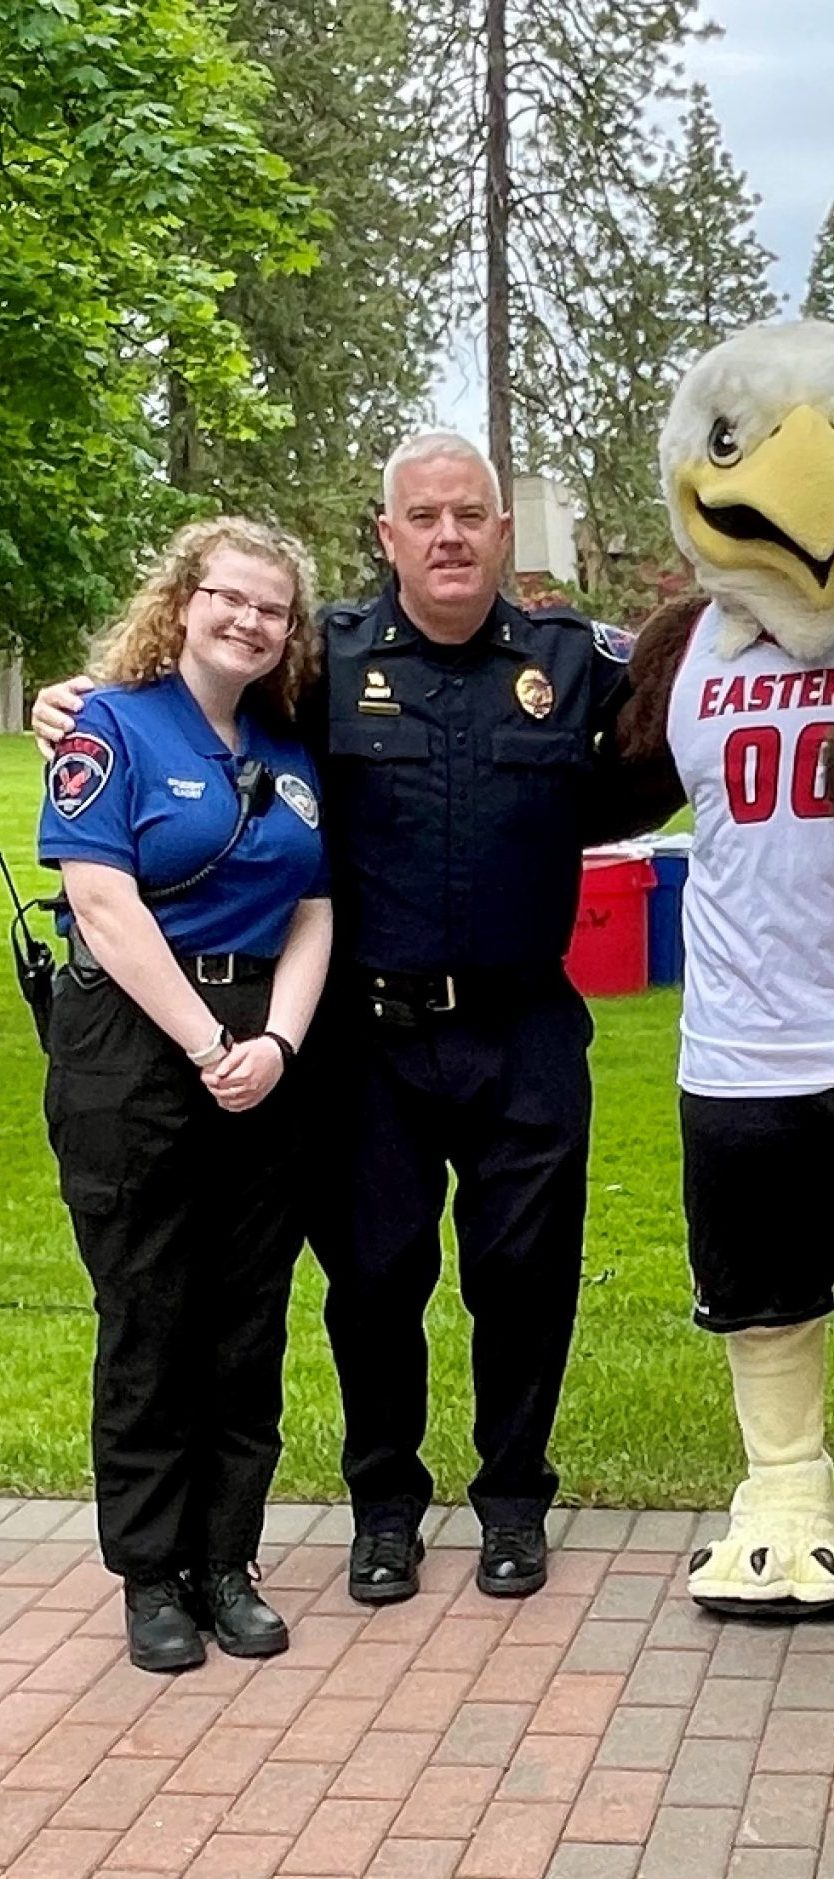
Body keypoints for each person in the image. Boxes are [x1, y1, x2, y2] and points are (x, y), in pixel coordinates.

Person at [33, 430, 640, 1607]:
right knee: (372, 1281)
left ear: (503, 531)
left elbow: (673, 728)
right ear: (387, 535)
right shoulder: (324, 664)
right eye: (424, 517)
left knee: (524, 1278)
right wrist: (81, 699)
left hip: (522, 1029)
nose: (449, 535)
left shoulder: (576, 662)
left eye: (471, 514)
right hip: (368, 1041)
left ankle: (514, 1502)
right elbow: (192, 700)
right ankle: (385, 1509)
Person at [38, 518, 332, 1672]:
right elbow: (101, 903)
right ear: (185, 598)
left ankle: (227, 1558)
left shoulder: (290, 749)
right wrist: (213, 1043)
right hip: (135, 1043)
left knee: (246, 1317)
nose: (250, 621)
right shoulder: (110, 724)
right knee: (151, 1313)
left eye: (274, 609)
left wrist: (279, 1045)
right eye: (231, 597)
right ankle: (151, 1573)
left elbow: (315, 905)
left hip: (262, 1042)